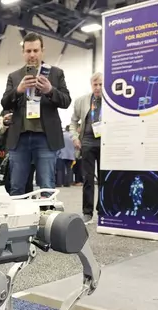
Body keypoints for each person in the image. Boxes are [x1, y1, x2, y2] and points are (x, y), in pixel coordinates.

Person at [1, 32, 72, 196]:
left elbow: (66, 101)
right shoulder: (14, 76)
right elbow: (5, 103)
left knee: (47, 186)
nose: (32, 54)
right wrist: (18, 90)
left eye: (35, 50)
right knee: (16, 187)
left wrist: (50, 90)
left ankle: (46, 220)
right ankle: (18, 221)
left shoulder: (55, 73)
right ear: (23, 53)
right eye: (28, 51)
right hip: (19, 139)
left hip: (46, 138)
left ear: (42, 51)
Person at [69, 72, 103, 224]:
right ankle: (87, 212)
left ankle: (103, 211)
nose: (98, 87)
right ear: (91, 85)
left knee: (105, 179)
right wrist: (75, 137)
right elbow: (73, 122)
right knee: (88, 178)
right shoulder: (81, 101)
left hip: (105, 143)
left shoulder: (112, 101)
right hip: (88, 142)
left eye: (101, 84)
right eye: (95, 84)